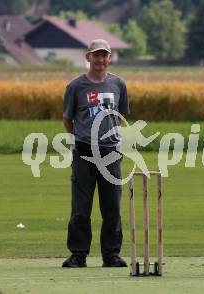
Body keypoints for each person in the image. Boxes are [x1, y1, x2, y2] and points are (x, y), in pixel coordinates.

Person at [62, 39, 130, 268]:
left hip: (111, 153)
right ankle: (78, 255)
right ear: (87, 57)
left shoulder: (118, 84)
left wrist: (108, 139)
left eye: (104, 55)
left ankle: (111, 255)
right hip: (84, 153)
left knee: (112, 207)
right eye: (96, 55)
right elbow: (67, 119)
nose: (100, 60)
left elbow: (120, 117)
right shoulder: (75, 86)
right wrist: (83, 139)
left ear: (109, 58)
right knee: (81, 208)